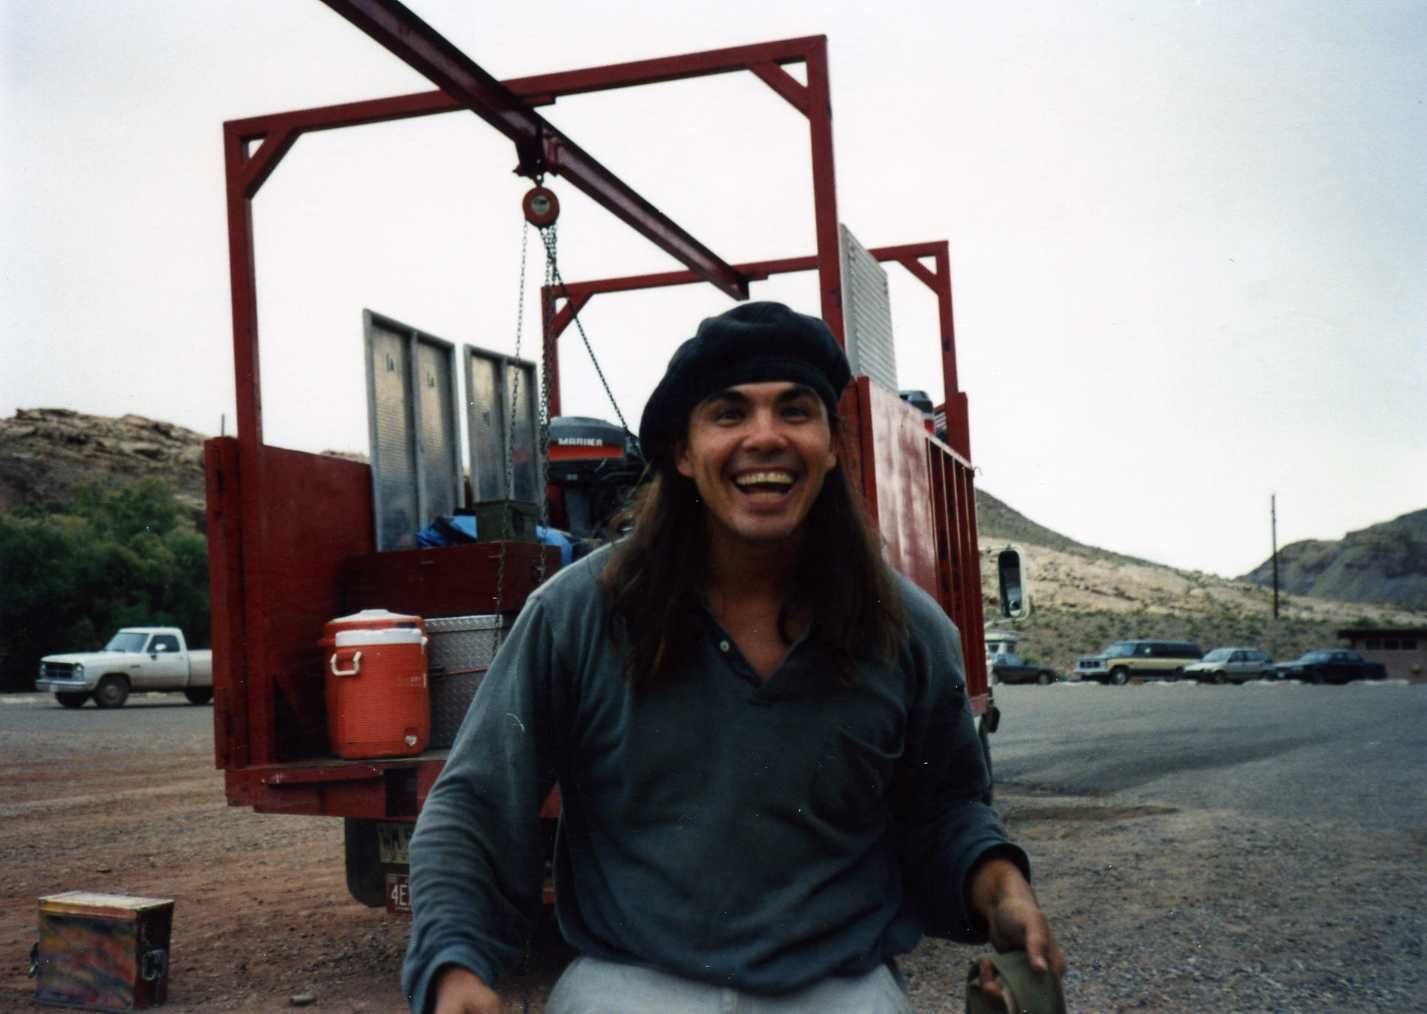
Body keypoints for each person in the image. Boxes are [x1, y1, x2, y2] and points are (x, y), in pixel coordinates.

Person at [402, 301, 1064, 1014]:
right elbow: (475, 807)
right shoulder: (577, 616)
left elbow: (949, 810)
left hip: (842, 992)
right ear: (683, 454)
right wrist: (452, 964)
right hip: (629, 987)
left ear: (831, 446)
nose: (765, 437)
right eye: (728, 413)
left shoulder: (907, 630)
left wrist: (1002, 887)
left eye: (795, 410)